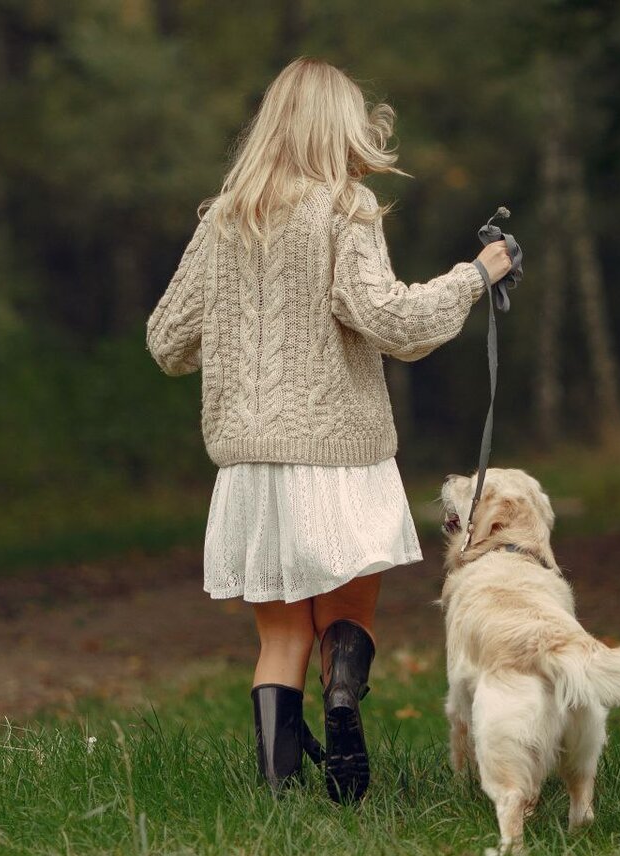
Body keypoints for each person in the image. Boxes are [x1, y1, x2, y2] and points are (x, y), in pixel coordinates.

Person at [146, 57, 512, 803]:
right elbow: (393, 322)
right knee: (345, 615)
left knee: (281, 637)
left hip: (251, 464)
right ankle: (342, 700)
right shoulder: (345, 209)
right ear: (340, 128)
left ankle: (279, 798)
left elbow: (166, 341)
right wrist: (478, 275)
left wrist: (242, 318)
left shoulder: (223, 219)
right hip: (341, 454)